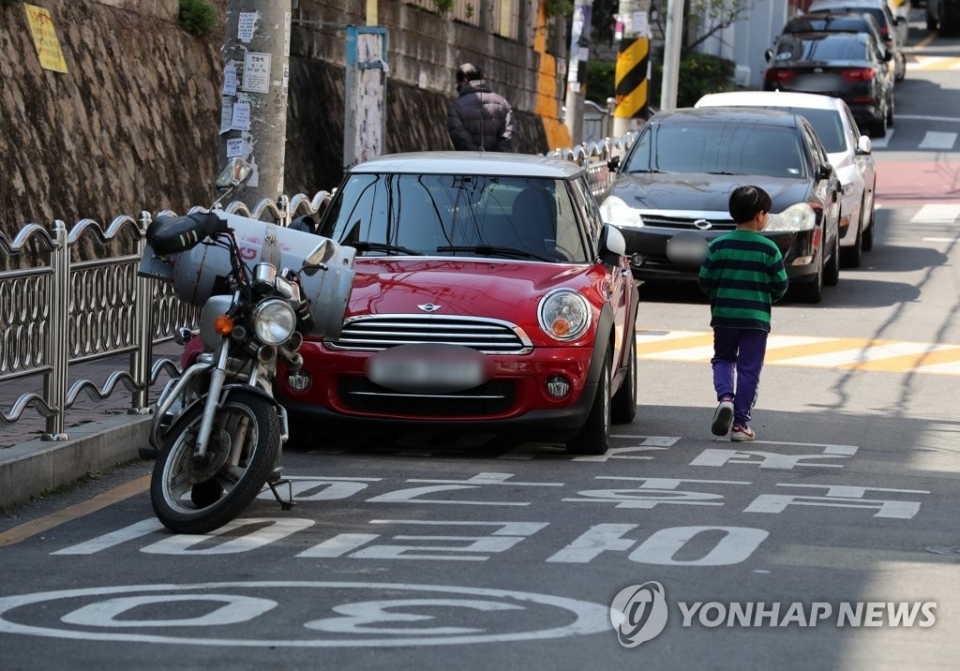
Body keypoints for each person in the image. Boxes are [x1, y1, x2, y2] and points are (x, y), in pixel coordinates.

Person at [698, 185, 789, 442]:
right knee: (749, 369)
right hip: (756, 320)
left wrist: (720, 295)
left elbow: (705, 280)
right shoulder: (769, 249)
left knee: (723, 359)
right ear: (760, 215)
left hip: (724, 317)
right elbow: (780, 285)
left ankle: (725, 398)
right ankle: (740, 425)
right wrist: (765, 297)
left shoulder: (718, 246)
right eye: (767, 213)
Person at [447, 63, 515, 152]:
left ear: (465, 80)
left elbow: (460, 137)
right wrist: (496, 155)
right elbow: (508, 133)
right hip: (497, 163)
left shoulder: (457, 106)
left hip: (471, 163)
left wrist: (477, 156)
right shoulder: (504, 103)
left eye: (458, 83)